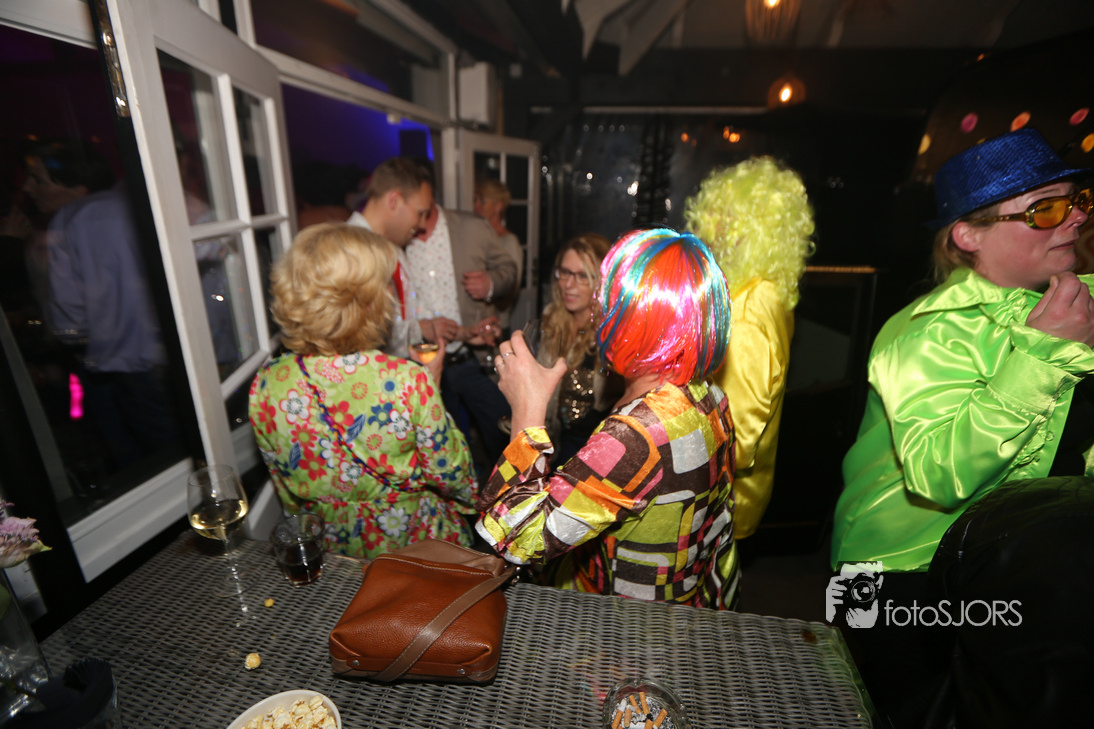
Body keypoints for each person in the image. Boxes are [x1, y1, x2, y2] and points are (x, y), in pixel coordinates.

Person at [830, 128, 1094, 726]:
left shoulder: (1073, 303)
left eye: (1076, 202)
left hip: (1011, 555)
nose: (1075, 219)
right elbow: (938, 472)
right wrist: (1042, 358)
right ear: (968, 236)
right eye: (1044, 209)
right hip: (891, 573)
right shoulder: (924, 332)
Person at [477, 228, 740, 609]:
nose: (599, 311)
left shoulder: (636, 435)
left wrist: (527, 411)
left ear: (633, 318)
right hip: (699, 600)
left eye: (608, 299)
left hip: (624, 625)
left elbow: (518, 540)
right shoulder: (709, 395)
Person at [248, 223, 479, 560]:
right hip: (412, 545)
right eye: (384, 283)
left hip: (329, 548)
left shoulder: (267, 384)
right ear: (368, 301)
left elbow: (286, 490)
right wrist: (432, 384)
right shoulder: (407, 381)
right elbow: (453, 475)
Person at [684, 157, 814, 539]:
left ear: (749, 228)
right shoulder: (768, 289)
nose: (706, 226)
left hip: (720, 505)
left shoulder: (746, 312)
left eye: (721, 215)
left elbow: (733, 441)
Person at [345, 157, 450, 357]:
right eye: (420, 213)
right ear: (394, 201)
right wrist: (418, 330)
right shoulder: (347, 252)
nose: (422, 224)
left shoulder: (394, 247)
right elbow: (357, 333)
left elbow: (407, 312)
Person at [534, 233, 624, 464]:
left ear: (603, 281)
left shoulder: (613, 333)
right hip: (554, 438)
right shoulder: (552, 318)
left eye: (582, 276)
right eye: (565, 272)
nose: (568, 284)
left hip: (596, 448)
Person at [474, 178, 524, 328]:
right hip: (476, 323)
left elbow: (512, 287)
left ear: (498, 206)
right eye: (475, 200)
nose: (476, 206)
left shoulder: (509, 241)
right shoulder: (477, 237)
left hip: (497, 324)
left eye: (482, 201)